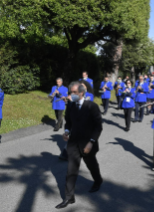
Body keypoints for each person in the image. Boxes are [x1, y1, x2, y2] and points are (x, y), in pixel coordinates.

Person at [55, 81, 103, 209]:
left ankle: (98, 181)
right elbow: (68, 123)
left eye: (74, 92)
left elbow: (98, 127)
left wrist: (91, 142)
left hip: (88, 144)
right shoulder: (70, 106)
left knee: (91, 165)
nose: (72, 95)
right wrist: (66, 132)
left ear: (82, 92)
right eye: (71, 92)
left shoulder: (91, 106)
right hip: (74, 143)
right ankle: (69, 198)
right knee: (71, 170)